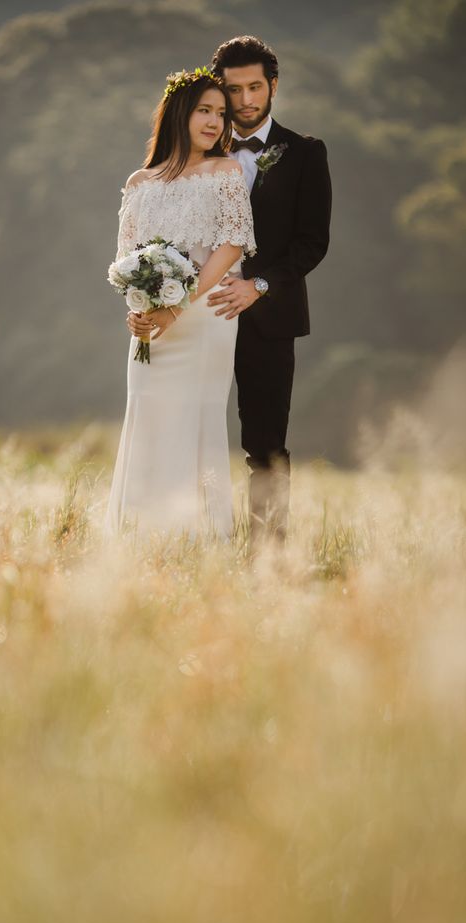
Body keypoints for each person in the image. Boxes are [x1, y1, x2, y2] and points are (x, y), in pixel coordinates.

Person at [104, 68, 256, 540]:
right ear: (178, 114)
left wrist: (179, 304)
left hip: (205, 318)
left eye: (220, 113)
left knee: (197, 418)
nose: (214, 122)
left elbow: (233, 245)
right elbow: (127, 258)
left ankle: (199, 539)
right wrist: (137, 309)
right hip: (151, 328)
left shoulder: (225, 170)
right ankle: (141, 537)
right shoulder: (139, 181)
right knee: (147, 415)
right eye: (203, 111)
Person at [208, 36, 332, 544]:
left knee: (265, 443)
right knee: (195, 435)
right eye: (233, 89)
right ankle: (195, 537)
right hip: (203, 315)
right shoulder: (198, 148)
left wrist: (258, 286)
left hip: (270, 317)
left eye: (255, 86)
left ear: (273, 85)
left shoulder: (304, 153)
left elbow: (312, 244)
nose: (245, 100)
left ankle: (269, 551)